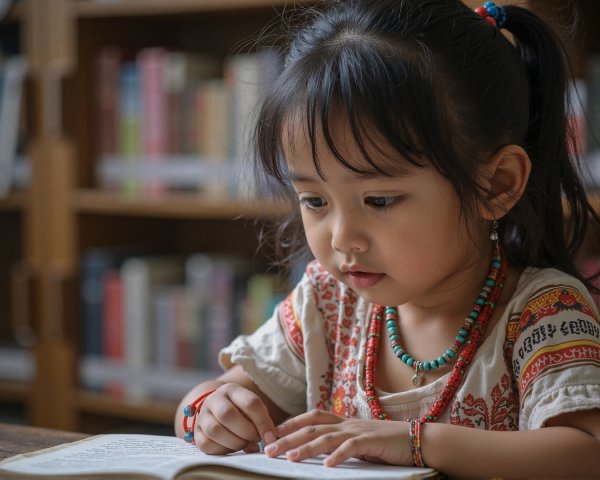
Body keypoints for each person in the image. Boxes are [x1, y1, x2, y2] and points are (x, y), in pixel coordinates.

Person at [175, 1, 600, 477]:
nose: (342, 238)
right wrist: (210, 409)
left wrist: (416, 442)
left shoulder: (542, 312)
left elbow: (586, 453)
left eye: (379, 200)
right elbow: (213, 395)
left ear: (497, 184)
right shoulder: (327, 302)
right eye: (314, 201)